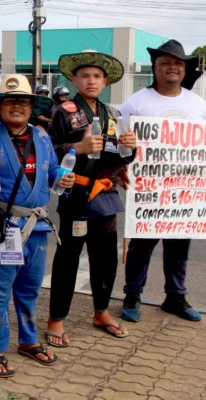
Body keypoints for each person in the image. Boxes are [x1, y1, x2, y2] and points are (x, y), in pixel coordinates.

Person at [0, 74, 75, 378]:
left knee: (30, 289)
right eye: (10, 100)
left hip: (37, 228)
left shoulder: (43, 137)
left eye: (23, 100)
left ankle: (28, 341)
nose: (17, 106)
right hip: (2, 227)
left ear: (31, 107)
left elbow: (52, 174)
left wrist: (64, 178)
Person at [46, 50, 137, 347]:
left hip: (106, 197)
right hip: (76, 196)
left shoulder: (113, 114)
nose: (91, 80)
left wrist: (130, 149)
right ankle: (56, 319)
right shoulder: (63, 111)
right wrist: (79, 147)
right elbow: (48, 151)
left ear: (106, 80)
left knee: (106, 259)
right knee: (68, 260)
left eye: (97, 76)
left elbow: (119, 156)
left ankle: (101, 313)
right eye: (84, 75)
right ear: (74, 79)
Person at [120, 40, 205, 323]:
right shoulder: (135, 103)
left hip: (185, 191)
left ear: (185, 69)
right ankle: (132, 295)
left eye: (178, 63)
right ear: (155, 67)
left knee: (179, 248)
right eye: (166, 62)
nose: (172, 68)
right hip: (148, 190)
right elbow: (118, 143)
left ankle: (175, 297)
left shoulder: (197, 104)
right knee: (141, 247)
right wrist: (123, 163)